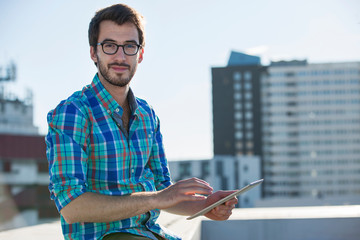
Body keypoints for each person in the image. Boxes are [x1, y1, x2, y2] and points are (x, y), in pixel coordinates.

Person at [45, 3, 237, 240]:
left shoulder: (147, 115)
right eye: (109, 46)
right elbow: (71, 207)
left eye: (129, 46)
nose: (120, 56)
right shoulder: (72, 113)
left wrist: (206, 206)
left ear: (141, 54)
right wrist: (157, 198)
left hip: (149, 233)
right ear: (94, 52)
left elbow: (164, 192)